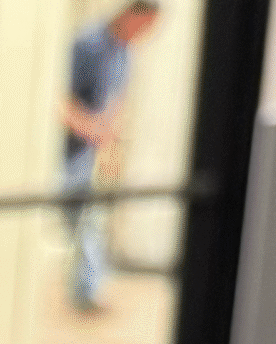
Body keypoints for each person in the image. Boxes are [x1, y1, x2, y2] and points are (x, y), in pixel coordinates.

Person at [61, 1, 160, 312]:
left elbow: (115, 101)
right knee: (76, 217)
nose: (146, 34)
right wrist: (90, 129)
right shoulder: (88, 43)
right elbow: (60, 98)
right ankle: (85, 289)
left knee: (90, 219)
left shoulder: (124, 52)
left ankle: (87, 290)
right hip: (71, 147)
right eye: (144, 26)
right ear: (131, 14)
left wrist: (111, 144)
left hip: (95, 148)